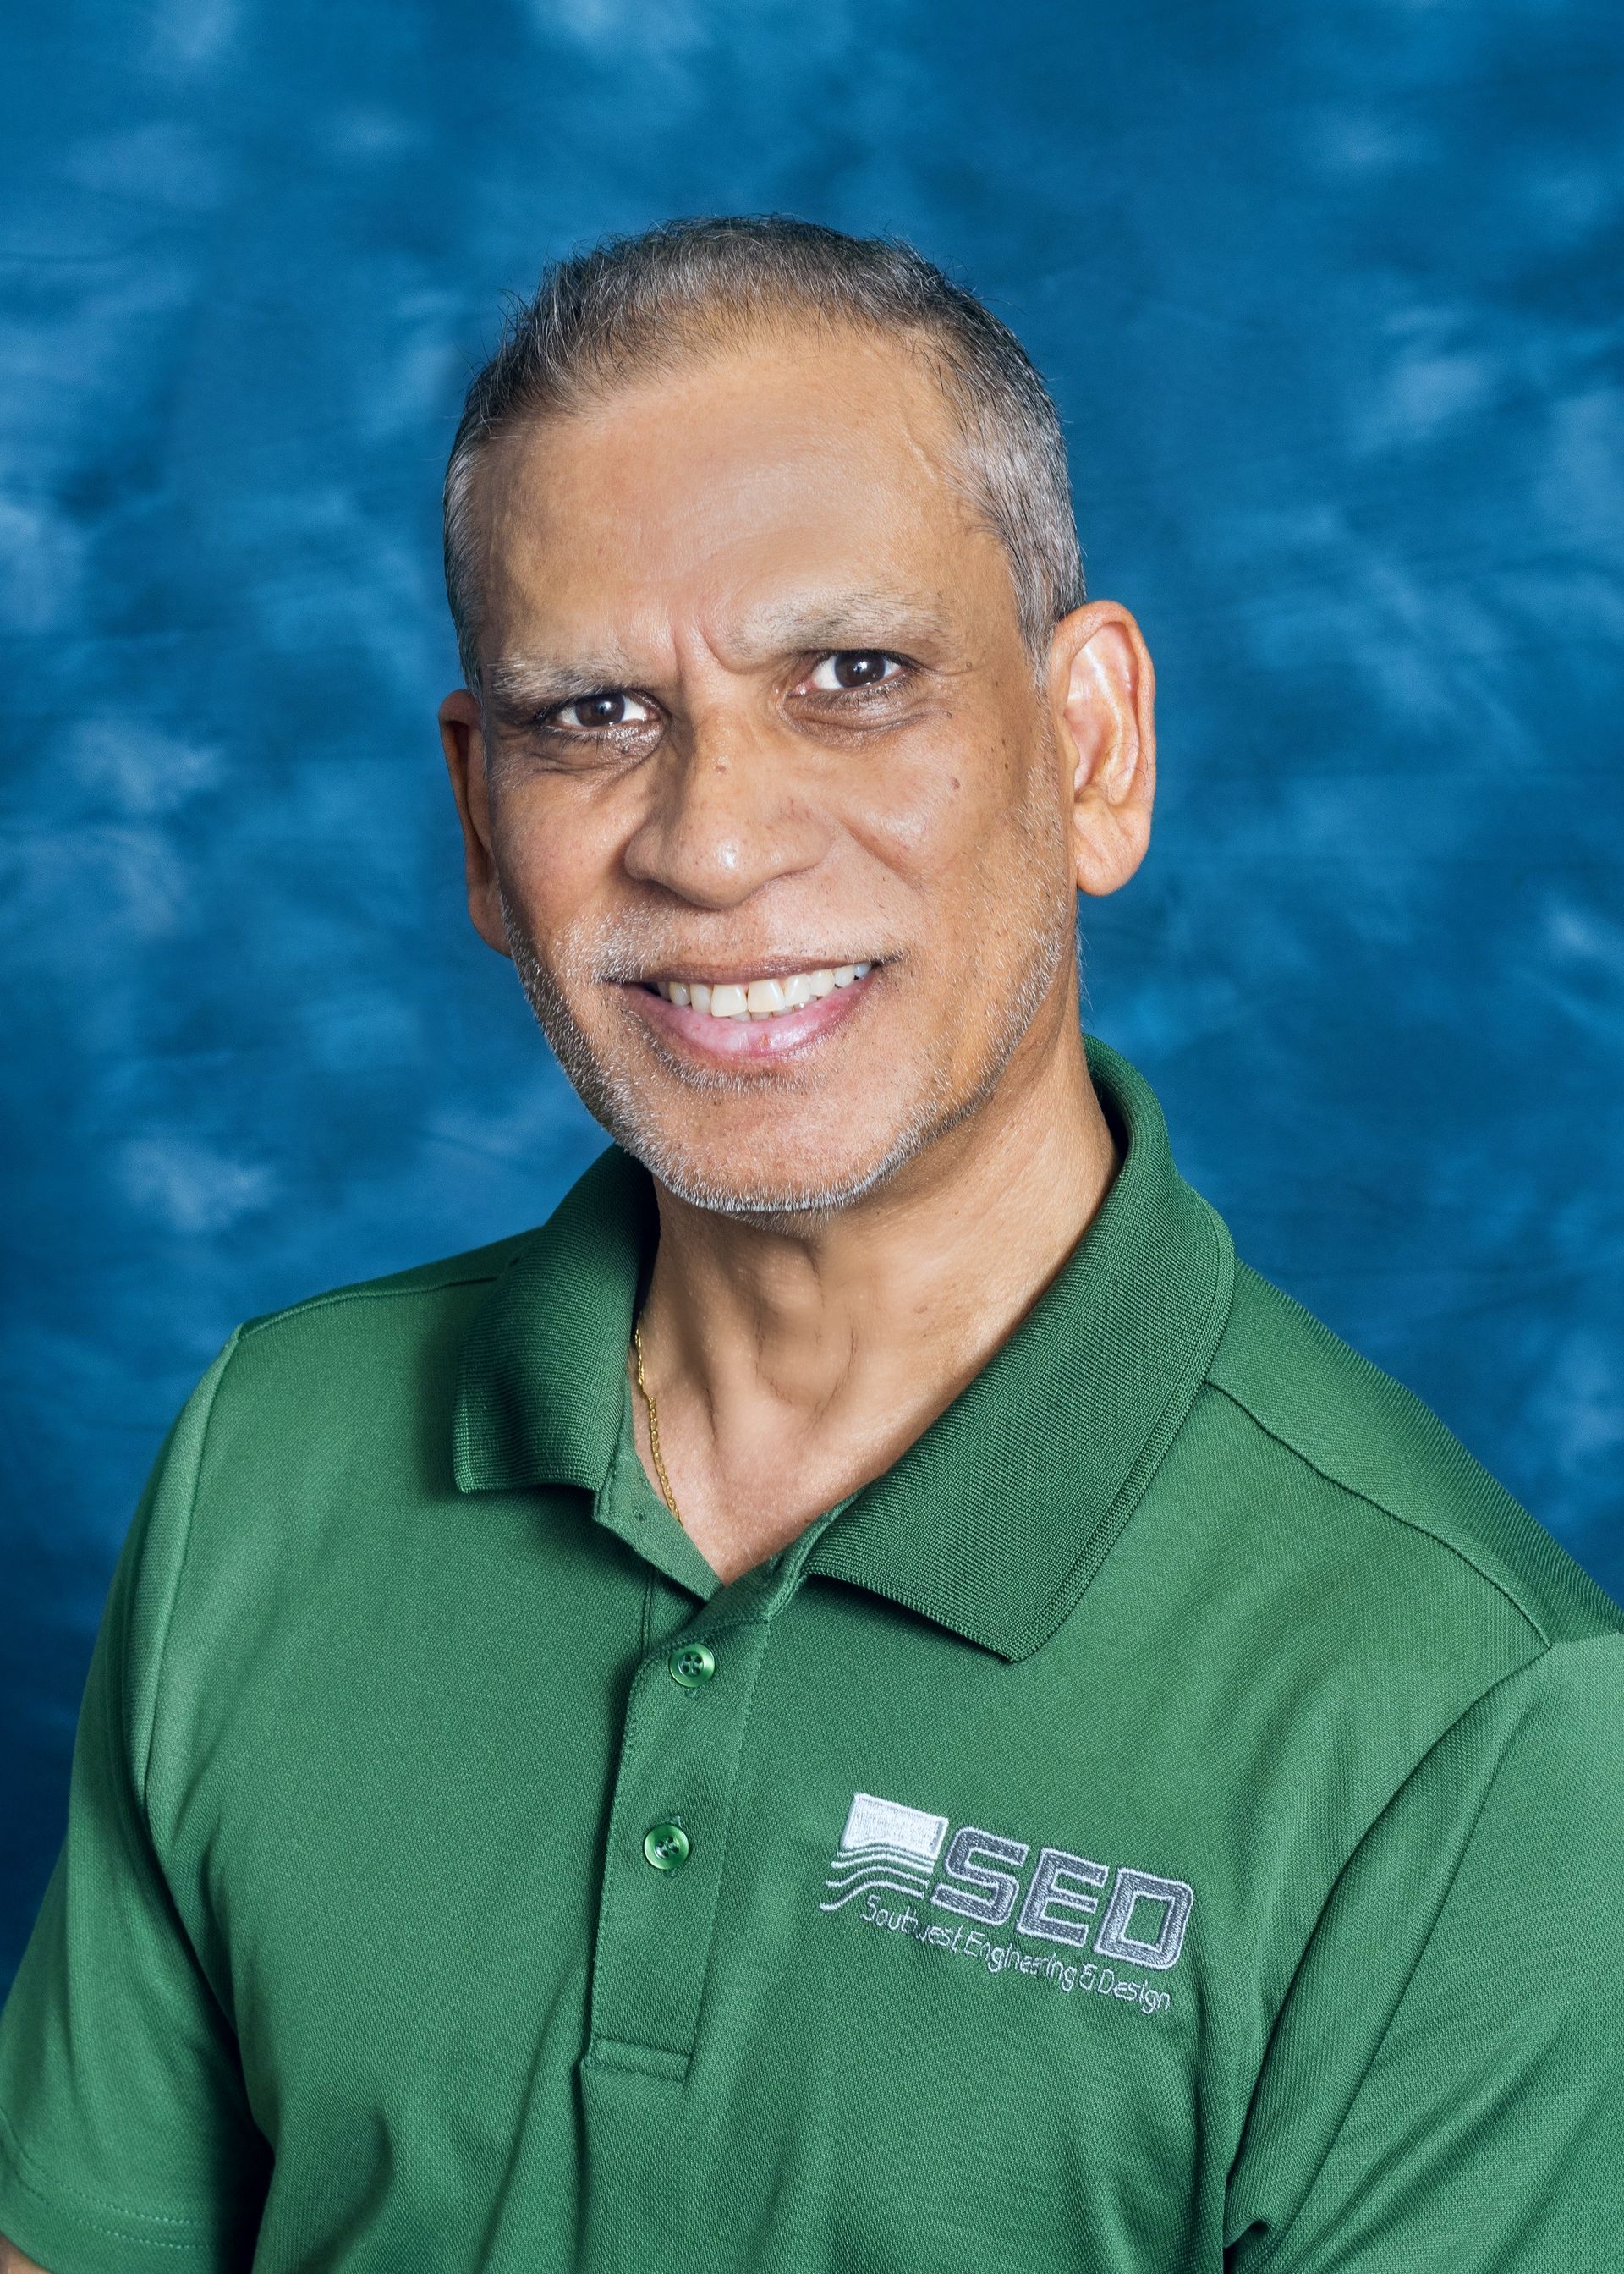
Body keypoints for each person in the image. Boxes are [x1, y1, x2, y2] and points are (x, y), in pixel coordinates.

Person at [1, 216, 1619, 2274]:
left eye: (853, 679)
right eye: (591, 714)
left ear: (1093, 746)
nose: (715, 835)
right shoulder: (273, 1453)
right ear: (479, 821)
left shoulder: (1477, 1724)